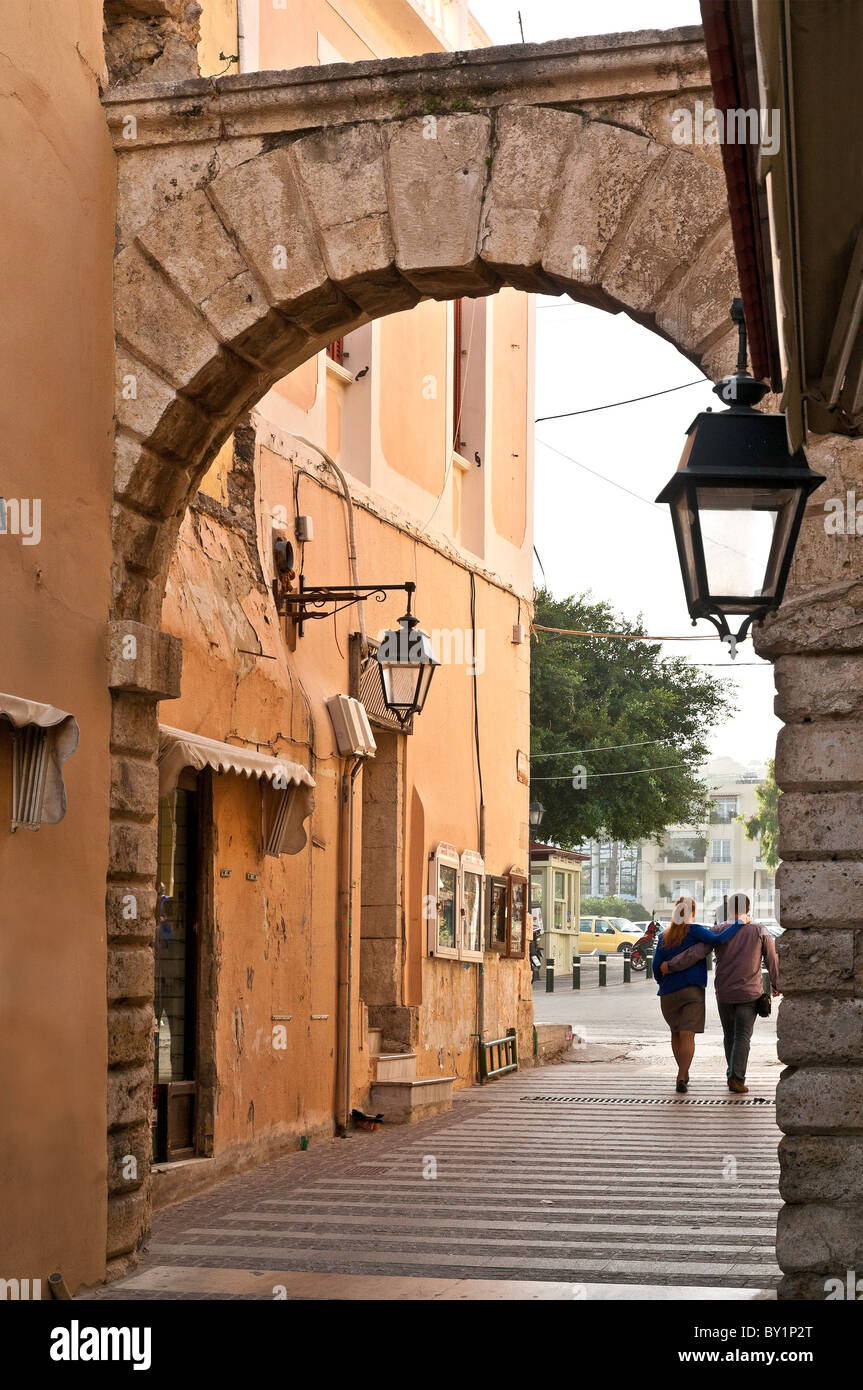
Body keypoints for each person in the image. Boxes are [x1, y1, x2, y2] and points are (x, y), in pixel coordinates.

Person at [660, 892, 779, 1093]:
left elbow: (695, 953)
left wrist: (670, 966)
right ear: (748, 909)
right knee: (743, 1036)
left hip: (724, 992)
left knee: (729, 1035)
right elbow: (772, 959)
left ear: (730, 909)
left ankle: (732, 1073)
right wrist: (776, 984)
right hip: (750, 993)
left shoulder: (718, 930)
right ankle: (736, 1078)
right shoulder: (760, 930)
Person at [653, 896, 745, 1093]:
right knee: (688, 1035)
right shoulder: (695, 931)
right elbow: (720, 939)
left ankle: (682, 1073)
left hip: (668, 993)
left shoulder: (664, 936)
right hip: (692, 990)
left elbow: (655, 967)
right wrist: (739, 922)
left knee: (676, 1033)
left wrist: (663, 982)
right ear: (692, 913)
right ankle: (681, 1074)